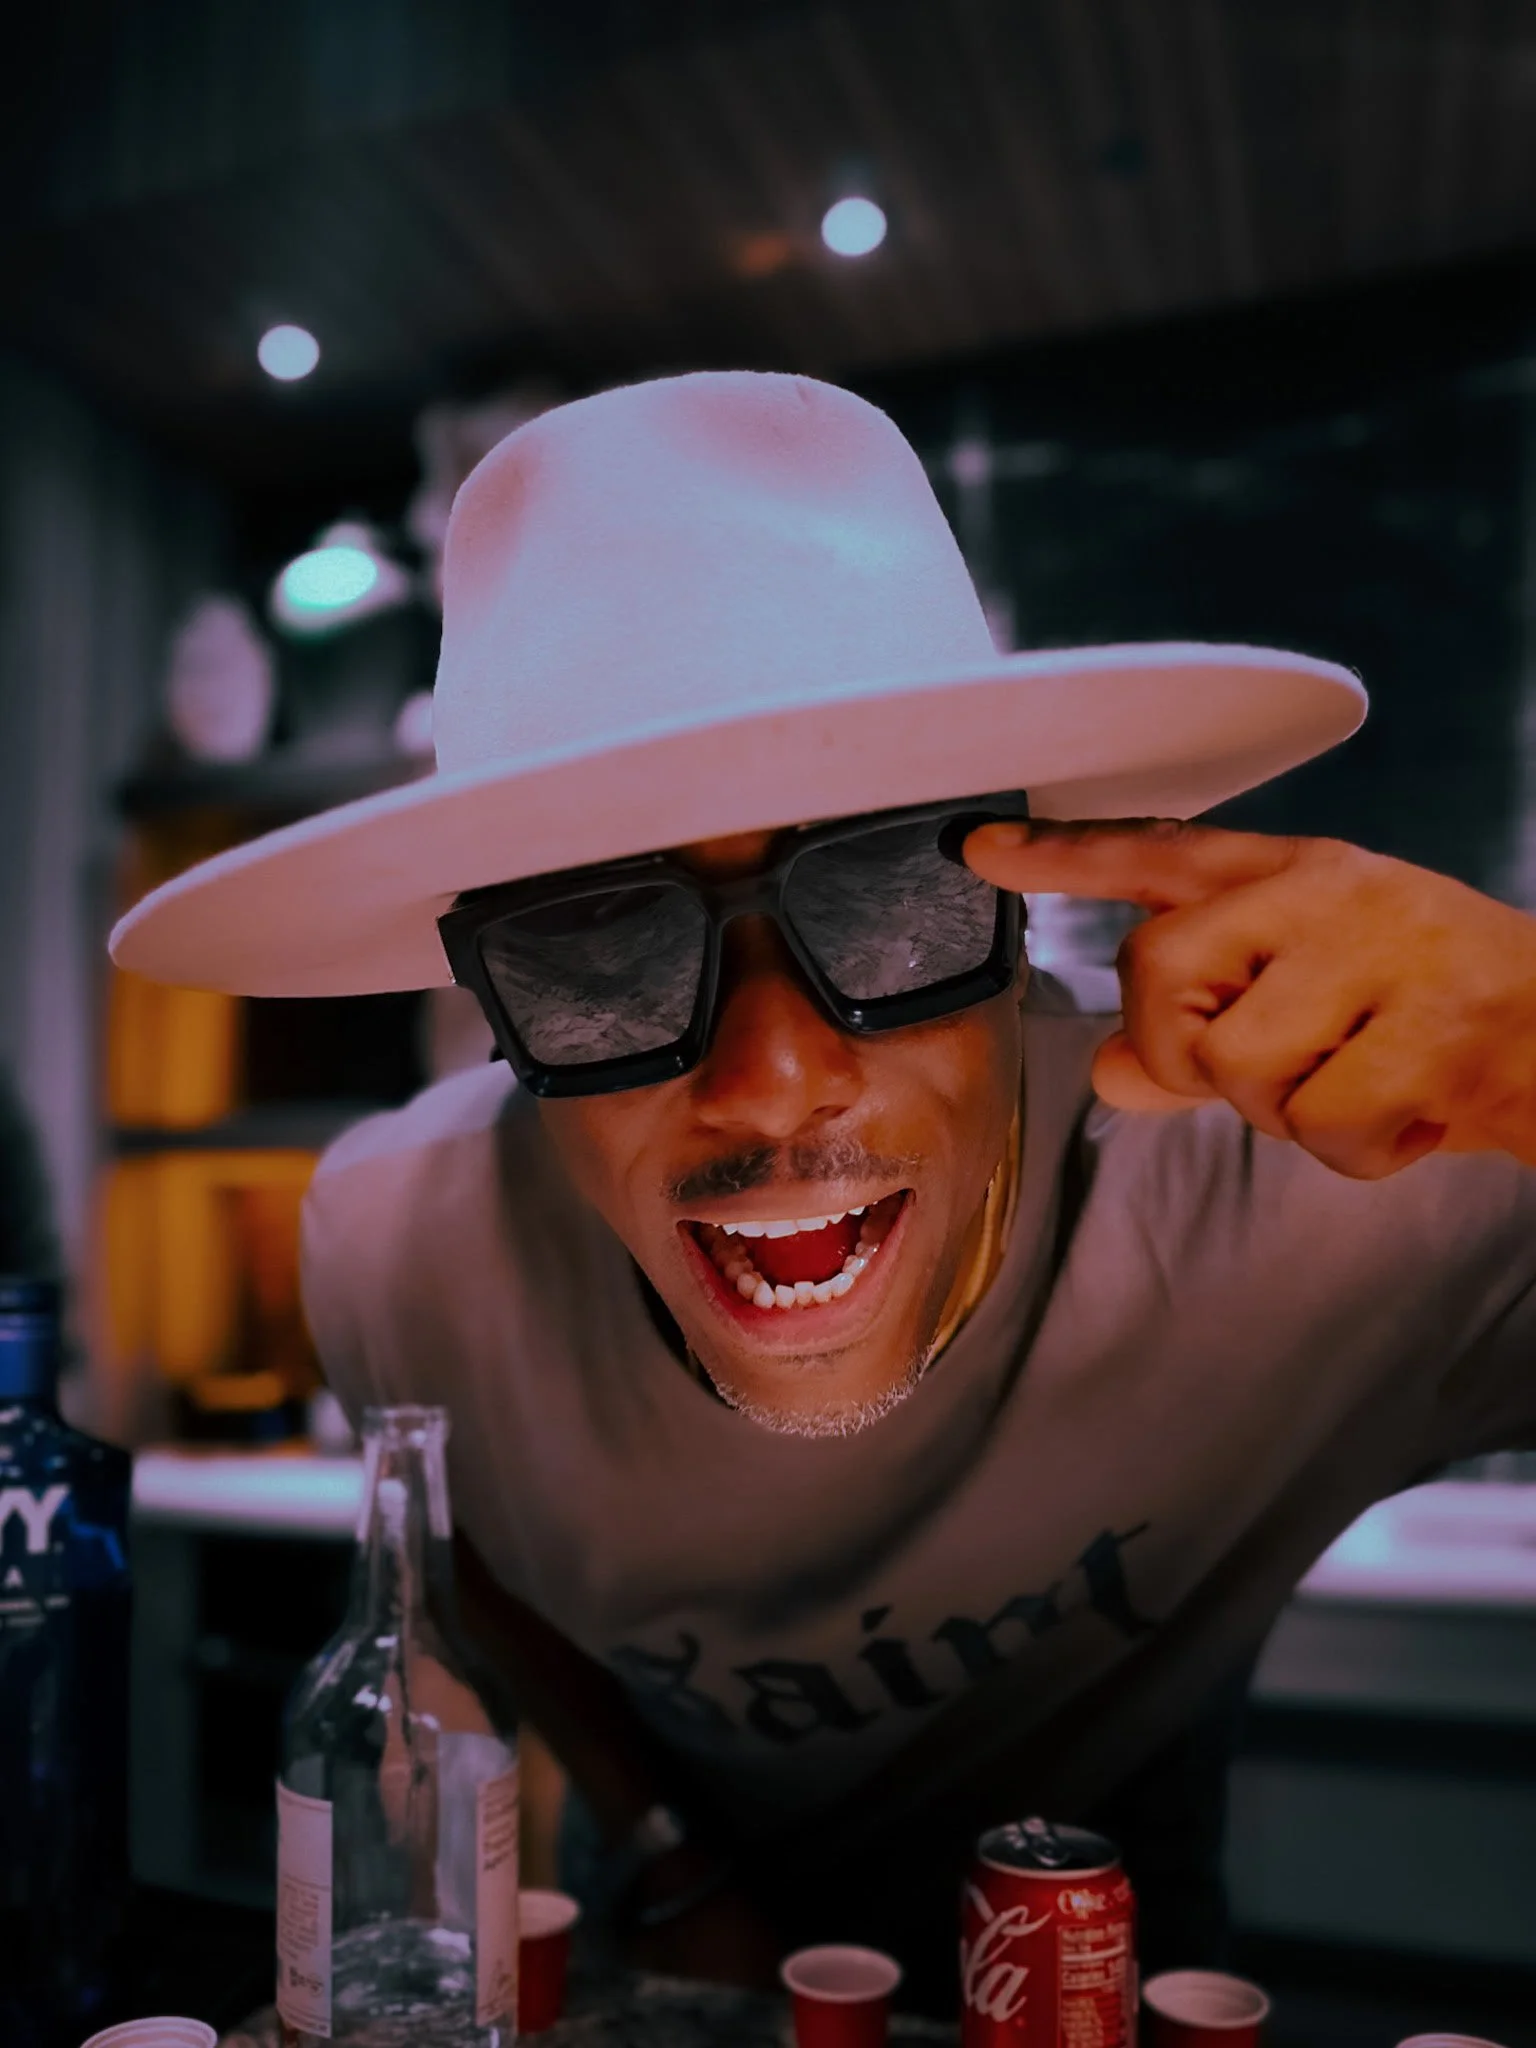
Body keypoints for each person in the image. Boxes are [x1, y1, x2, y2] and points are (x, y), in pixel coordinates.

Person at [110, 373, 1536, 2010]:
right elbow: (469, 1563)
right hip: (663, 1950)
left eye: (898, 899)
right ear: (490, 1006)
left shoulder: (1324, 1194)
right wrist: (667, 1845)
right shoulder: (397, 1248)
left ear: (1031, 910)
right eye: (598, 948)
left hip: (1101, 1960)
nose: (773, 1082)